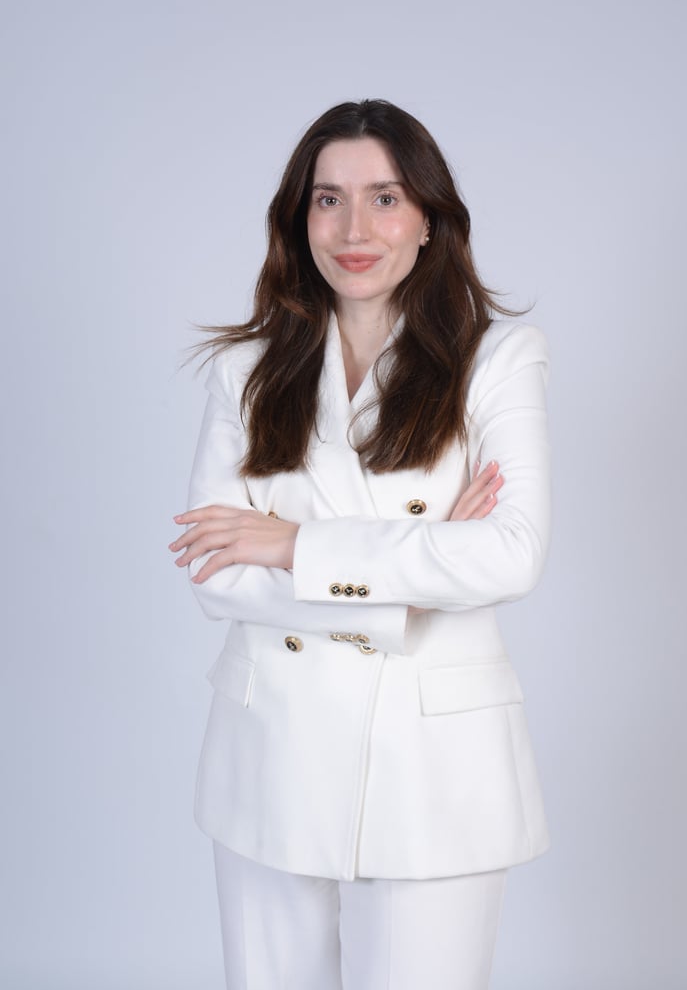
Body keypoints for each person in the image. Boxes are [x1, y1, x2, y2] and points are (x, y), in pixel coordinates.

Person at [169, 99, 551, 990]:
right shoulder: (247, 372)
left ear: (429, 219)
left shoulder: (499, 359)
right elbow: (214, 572)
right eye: (326, 199)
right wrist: (415, 580)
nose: (353, 228)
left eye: (384, 198)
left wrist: (292, 543)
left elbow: (513, 553)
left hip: (434, 769)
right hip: (271, 754)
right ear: (297, 221)